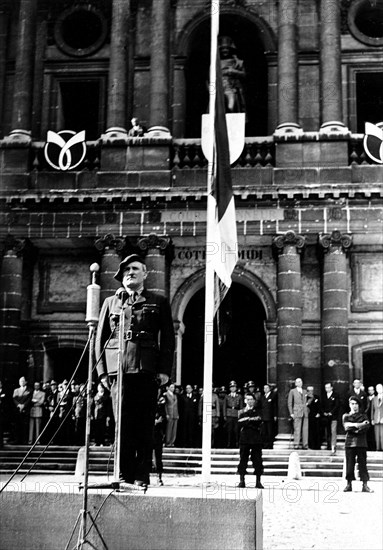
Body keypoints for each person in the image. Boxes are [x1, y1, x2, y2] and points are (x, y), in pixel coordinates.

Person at [95, 254, 175, 487]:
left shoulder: (158, 301)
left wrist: (164, 371)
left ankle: (141, 475)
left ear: (145, 274)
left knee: (144, 424)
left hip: (146, 369)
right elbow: (99, 340)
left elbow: (168, 340)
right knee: (122, 424)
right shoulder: (112, 302)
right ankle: (123, 473)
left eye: (135, 268)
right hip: (118, 371)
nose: (130, 272)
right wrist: (101, 373)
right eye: (127, 269)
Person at [343, 396, 373, 493]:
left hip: (361, 443)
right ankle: (349, 484)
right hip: (350, 443)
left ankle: (365, 485)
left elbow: (366, 427)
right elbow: (347, 428)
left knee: (363, 465)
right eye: (352, 404)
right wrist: (359, 425)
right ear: (349, 405)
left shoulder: (364, 416)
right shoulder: (346, 416)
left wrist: (353, 426)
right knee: (349, 464)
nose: (354, 406)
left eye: (356, 404)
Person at [237, 393, 264, 489]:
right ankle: (242, 481)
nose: (250, 401)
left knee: (257, 460)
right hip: (244, 439)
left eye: (252, 399)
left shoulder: (258, 411)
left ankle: (258, 481)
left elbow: (259, 421)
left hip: (256, 438)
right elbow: (240, 423)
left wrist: (248, 420)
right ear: (245, 401)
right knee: (243, 459)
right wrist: (251, 420)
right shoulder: (241, 411)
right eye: (248, 399)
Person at [218, 36, 246, 113]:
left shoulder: (237, 62)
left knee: (231, 106)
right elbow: (208, 78)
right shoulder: (216, 63)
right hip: (219, 88)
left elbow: (244, 74)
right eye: (222, 49)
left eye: (226, 48)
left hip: (232, 88)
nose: (224, 50)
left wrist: (234, 71)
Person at [287, 378, 309, 450]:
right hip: (296, 411)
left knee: (305, 429)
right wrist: (291, 413)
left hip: (305, 411)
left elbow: (312, 397)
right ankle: (296, 444)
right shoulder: (292, 391)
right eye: (298, 382)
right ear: (296, 383)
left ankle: (305, 444)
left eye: (300, 381)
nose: (299, 383)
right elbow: (290, 402)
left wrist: (307, 403)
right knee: (297, 428)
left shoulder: (305, 391)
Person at [153, 386, 166, 485]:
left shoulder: (162, 403)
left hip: (158, 433)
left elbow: (163, 418)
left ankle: (159, 477)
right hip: (148, 433)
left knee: (158, 456)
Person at [13, 376, 32, 444]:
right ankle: (17, 440)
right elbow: (14, 399)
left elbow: (29, 399)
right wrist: (19, 405)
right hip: (18, 409)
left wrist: (23, 405)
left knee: (25, 425)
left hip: (25, 409)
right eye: (20, 381)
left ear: (26, 382)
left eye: (22, 381)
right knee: (17, 425)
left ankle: (24, 440)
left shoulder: (29, 390)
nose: (21, 382)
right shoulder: (16, 390)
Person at [322, 382, 340, 455]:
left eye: (328, 387)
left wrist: (331, 412)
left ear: (332, 388)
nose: (327, 389)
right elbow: (322, 405)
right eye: (326, 387)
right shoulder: (324, 396)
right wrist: (324, 412)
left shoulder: (335, 395)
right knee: (327, 431)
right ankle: (328, 445)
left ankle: (333, 445)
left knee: (333, 431)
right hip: (326, 417)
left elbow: (337, 405)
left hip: (333, 417)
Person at [225, 381, 243, 448]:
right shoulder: (227, 396)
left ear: (236, 388)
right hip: (229, 414)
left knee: (236, 430)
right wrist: (225, 415)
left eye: (234, 387)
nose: (233, 388)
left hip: (236, 414)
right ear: (230, 389)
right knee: (229, 430)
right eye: (231, 387)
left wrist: (241, 415)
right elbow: (224, 406)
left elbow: (241, 407)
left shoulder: (239, 396)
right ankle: (229, 443)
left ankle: (237, 443)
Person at [260, 383, 277, 449]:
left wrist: (275, 415)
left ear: (269, 389)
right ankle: (265, 445)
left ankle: (270, 445)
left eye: (267, 388)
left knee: (270, 432)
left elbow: (275, 406)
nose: (265, 389)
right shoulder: (262, 396)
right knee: (264, 432)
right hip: (263, 417)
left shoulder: (273, 396)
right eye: (264, 388)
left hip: (270, 417)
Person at [306, 386, 321, 450]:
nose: (311, 392)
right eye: (309, 390)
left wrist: (319, 413)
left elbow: (319, 405)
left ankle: (317, 446)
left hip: (316, 416)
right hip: (309, 416)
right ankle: (310, 445)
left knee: (316, 431)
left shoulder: (316, 397)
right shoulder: (306, 398)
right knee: (310, 432)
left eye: (312, 390)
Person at [164, 382, 179, 447]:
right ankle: (167, 442)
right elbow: (165, 405)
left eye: (173, 387)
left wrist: (177, 414)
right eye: (171, 387)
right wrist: (166, 413)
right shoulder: (166, 394)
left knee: (174, 429)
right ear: (168, 388)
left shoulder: (175, 395)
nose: (173, 388)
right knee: (169, 428)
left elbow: (176, 406)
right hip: (169, 413)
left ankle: (172, 442)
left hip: (175, 413)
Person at [371, 383, 383, 451]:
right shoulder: (374, 399)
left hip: (382, 418)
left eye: (381, 388)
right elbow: (372, 410)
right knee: (377, 435)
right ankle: (378, 448)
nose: (379, 390)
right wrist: (372, 418)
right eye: (378, 388)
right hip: (376, 418)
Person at [366, 385, 376, 451]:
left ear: (374, 391)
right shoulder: (366, 398)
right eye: (369, 390)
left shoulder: (376, 398)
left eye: (371, 390)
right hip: (367, 417)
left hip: (374, 417)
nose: (370, 391)